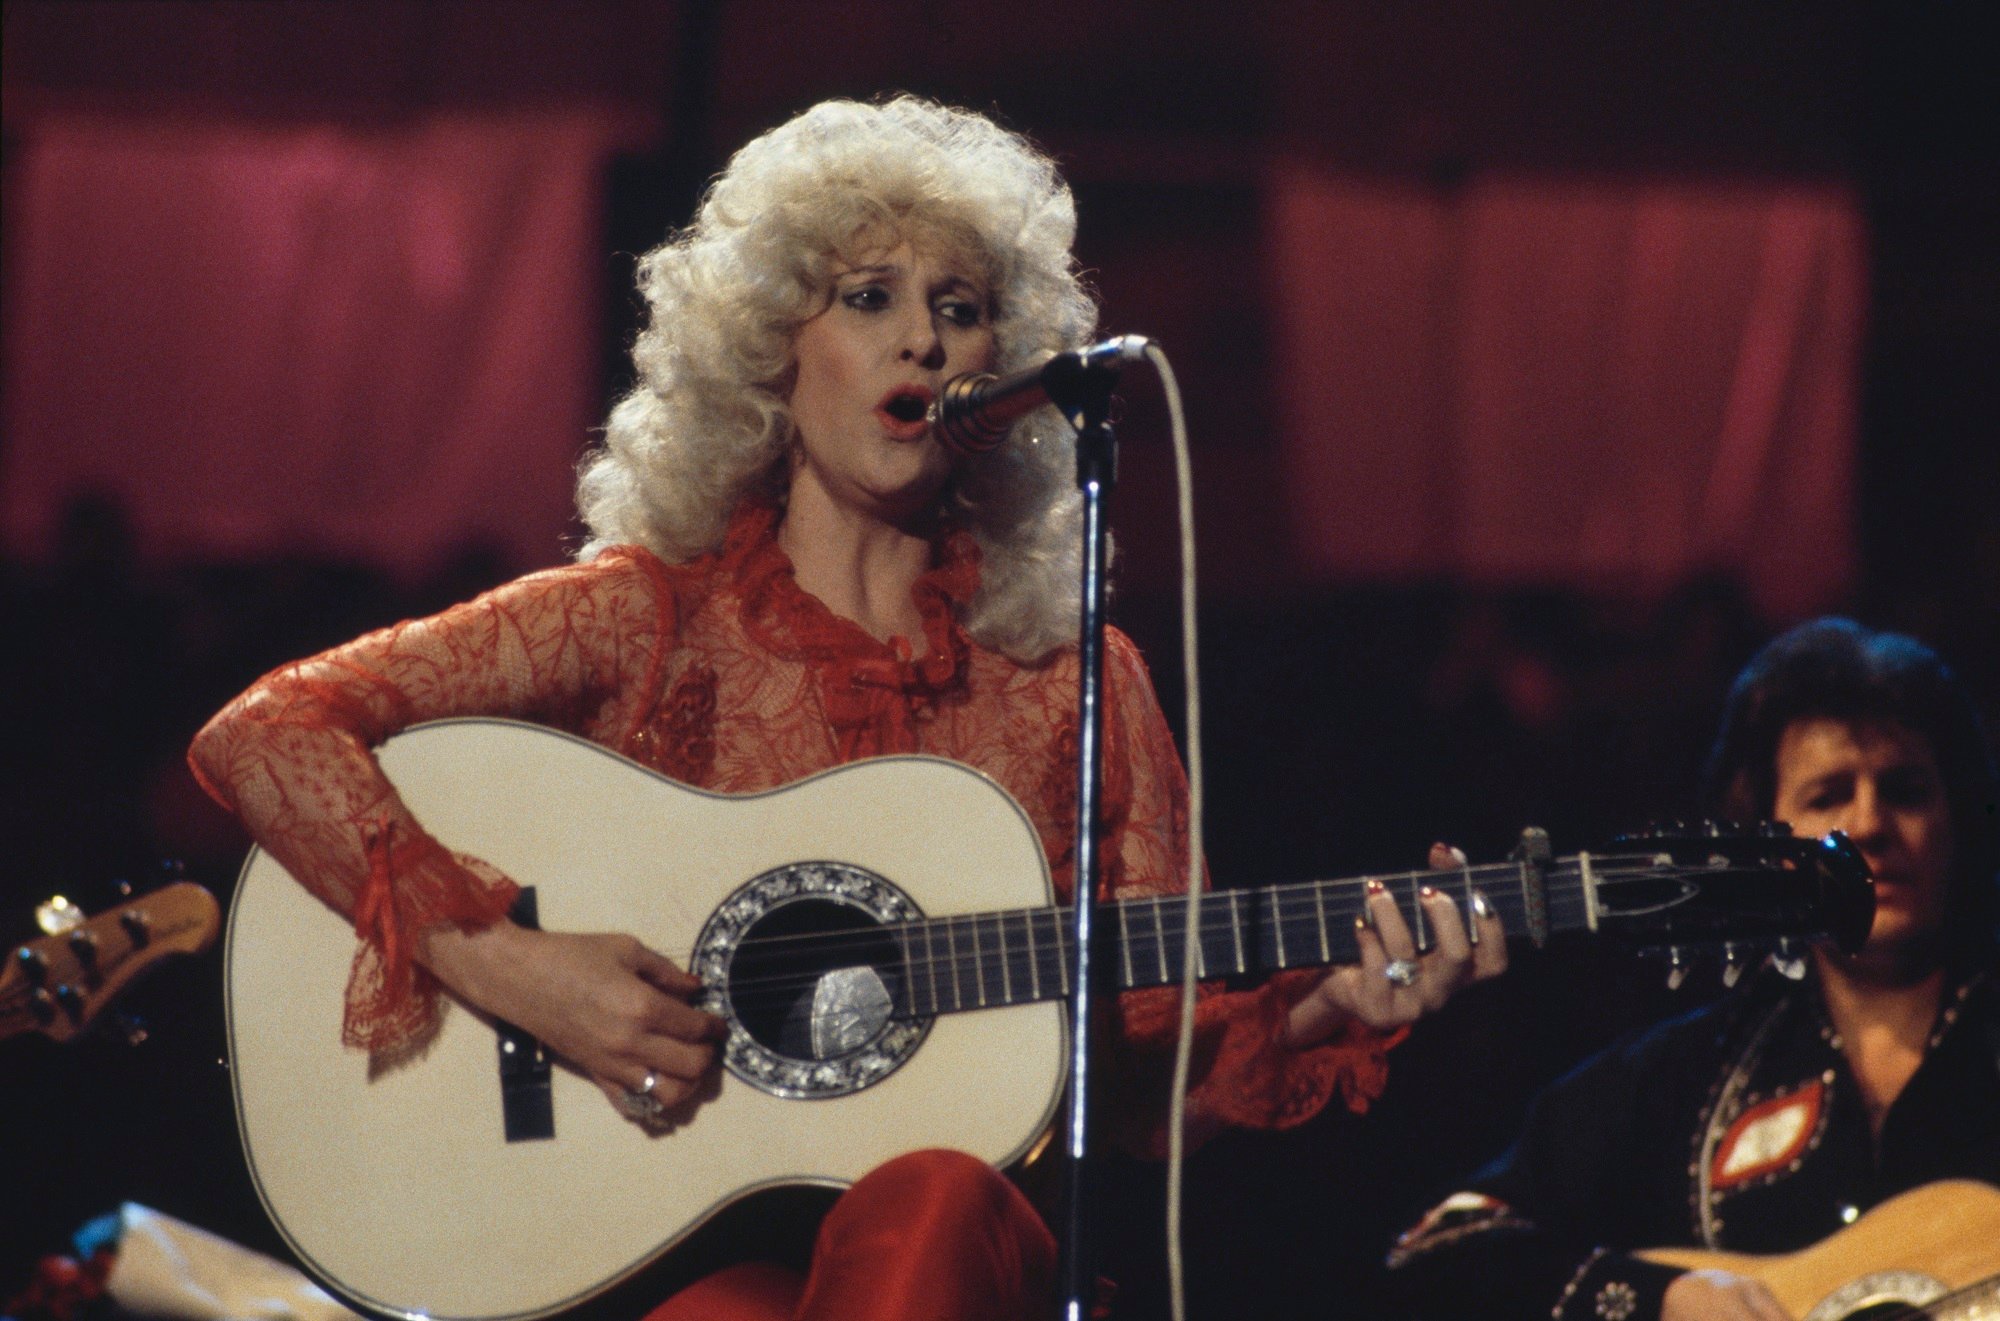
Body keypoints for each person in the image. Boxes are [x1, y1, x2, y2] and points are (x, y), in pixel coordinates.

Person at [189, 96, 1504, 1321]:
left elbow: (1141, 1095)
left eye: (962, 305)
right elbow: (259, 732)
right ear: (773, 346)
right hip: (686, 1245)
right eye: (867, 297)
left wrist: (1327, 1007)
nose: (922, 339)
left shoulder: (1072, 681)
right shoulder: (646, 616)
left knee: (926, 1195)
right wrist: (516, 969)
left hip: (965, 1258)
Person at [1385, 617, 2000, 1321]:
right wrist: (1659, 1296)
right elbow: (1432, 1252)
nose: (1868, 823)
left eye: (1906, 789)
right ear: (1768, 844)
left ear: (1959, 821)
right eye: (1827, 795)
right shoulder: (1684, 1078)